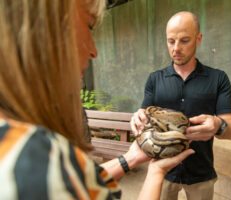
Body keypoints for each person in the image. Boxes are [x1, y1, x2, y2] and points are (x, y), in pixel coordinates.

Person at [0, 1, 194, 199]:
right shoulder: (39, 157)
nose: (94, 51)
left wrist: (130, 158)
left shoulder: (15, 141)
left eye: (185, 40)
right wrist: (156, 173)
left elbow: (77, 183)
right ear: (43, 28)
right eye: (89, 26)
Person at [130, 11, 231, 200]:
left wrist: (218, 125)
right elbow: (143, 114)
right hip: (162, 171)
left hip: (201, 172)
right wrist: (137, 118)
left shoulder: (218, 78)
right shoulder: (154, 79)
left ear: (198, 39)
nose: (176, 48)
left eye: (184, 40)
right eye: (171, 41)